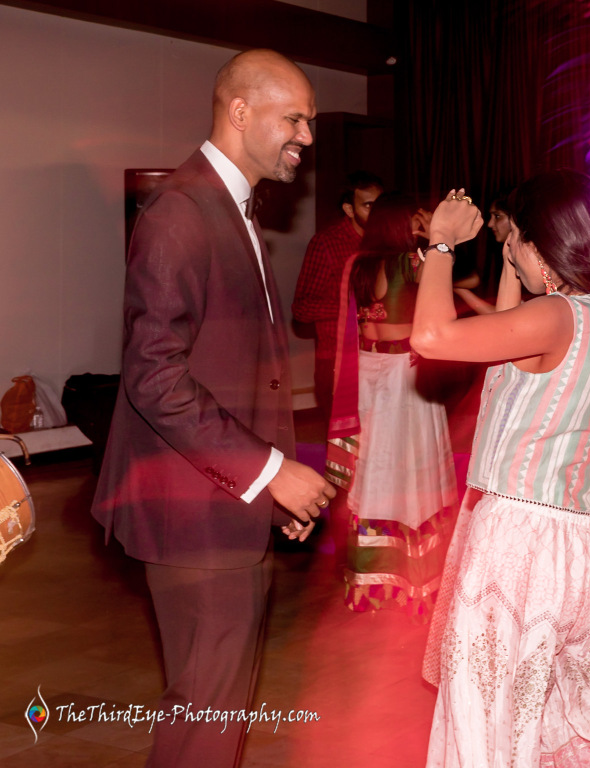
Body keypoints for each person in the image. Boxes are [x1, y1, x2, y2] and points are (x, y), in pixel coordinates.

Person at [91, 50, 334, 768]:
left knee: (216, 709)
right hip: (191, 513)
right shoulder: (181, 211)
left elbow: (237, 375)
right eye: (293, 118)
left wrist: (268, 490)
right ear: (238, 112)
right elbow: (153, 377)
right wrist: (267, 471)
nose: (307, 137)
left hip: (223, 505)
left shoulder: (229, 208)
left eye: (311, 121)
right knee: (206, 717)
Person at [414, 172, 590, 766]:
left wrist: (442, 245)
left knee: (490, 722)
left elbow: (429, 336)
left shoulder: (556, 317)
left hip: (523, 546)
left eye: (516, 236)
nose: (508, 245)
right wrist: (510, 257)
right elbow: (507, 355)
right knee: (581, 720)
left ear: (540, 241)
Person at [336, 192, 458, 617]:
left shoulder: (359, 264)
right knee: (412, 472)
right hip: (403, 376)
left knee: (374, 471)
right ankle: (413, 577)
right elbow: (445, 302)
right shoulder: (412, 262)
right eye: (413, 219)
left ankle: (368, 580)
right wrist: (436, 241)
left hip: (367, 371)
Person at [293, 171, 383, 418]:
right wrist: (353, 308)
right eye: (368, 205)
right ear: (349, 209)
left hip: (378, 358)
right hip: (337, 360)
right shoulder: (327, 243)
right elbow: (301, 309)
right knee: (341, 444)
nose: (377, 213)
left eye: (380, 205)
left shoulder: (386, 241)